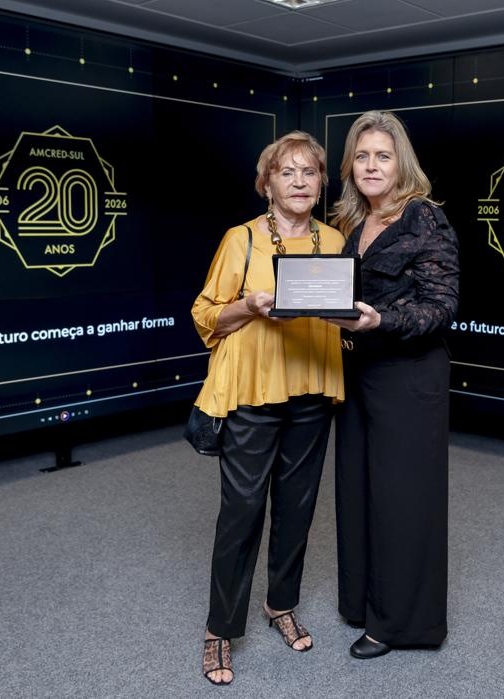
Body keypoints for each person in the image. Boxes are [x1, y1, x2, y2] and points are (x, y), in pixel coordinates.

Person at [191, 131, 345, 685]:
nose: (299, 181)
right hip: (253, 391)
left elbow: (340, 311)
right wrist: (251, 306)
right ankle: (219, 628)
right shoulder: (243, 240)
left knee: (298, 509)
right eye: (287, 172)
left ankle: (281, 603)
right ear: (267, 184)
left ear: (321, 183)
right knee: (242, 511)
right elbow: (206, 314)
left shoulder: (334, 239)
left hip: (312, 388)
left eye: (310, 172)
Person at [327, 110, 459, 659]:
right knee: (359, 491)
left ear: (401, 161)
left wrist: (382, 320)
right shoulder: (354, 223)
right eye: (362, 156)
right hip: (358, 372)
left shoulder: (423, 217)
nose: (371, 165)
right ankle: (363, 603)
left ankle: (401, 624)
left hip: (408, 375)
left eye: (383, 155)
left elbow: (441, 306)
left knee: (401, 500)